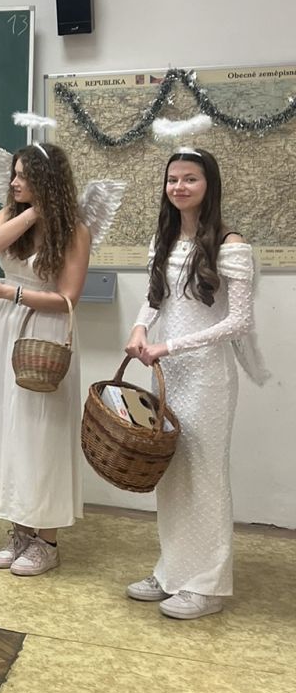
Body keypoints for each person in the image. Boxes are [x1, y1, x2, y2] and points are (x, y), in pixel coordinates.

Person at [124, 146, 267, 620]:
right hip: (168, 373)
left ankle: (207, 586)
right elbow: (156, 300)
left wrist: (170, 345)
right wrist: (141, 329)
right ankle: (172, 572)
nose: (179, 187)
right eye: (173, 179)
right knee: (171, 473)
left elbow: (239, 322)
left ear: (209, 185)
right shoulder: (164, 240)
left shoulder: (231, 244)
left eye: (190, 179)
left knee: (205, 477)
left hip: (207, 377)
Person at [0, 140, 95, 576]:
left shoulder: (75, 231)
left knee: (43, 434)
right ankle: (21, 530)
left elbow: (68, 298)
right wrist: (32, 213)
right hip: (6, 331)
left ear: (47, 180)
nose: (15, 181)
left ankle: (48, 541)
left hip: (46, 333)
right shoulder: (12, 214)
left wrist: (11, 293)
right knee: (13, 430)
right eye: (15, 174)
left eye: (24, 176)